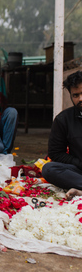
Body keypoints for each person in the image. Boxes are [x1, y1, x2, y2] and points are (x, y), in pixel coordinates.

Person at [42, 71, 82, 199]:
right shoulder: (63, 119)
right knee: (49, 169)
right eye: (76, 95)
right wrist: (78, 162)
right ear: (70, 96)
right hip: (79, 171)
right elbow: (55, 153)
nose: (80, 99)